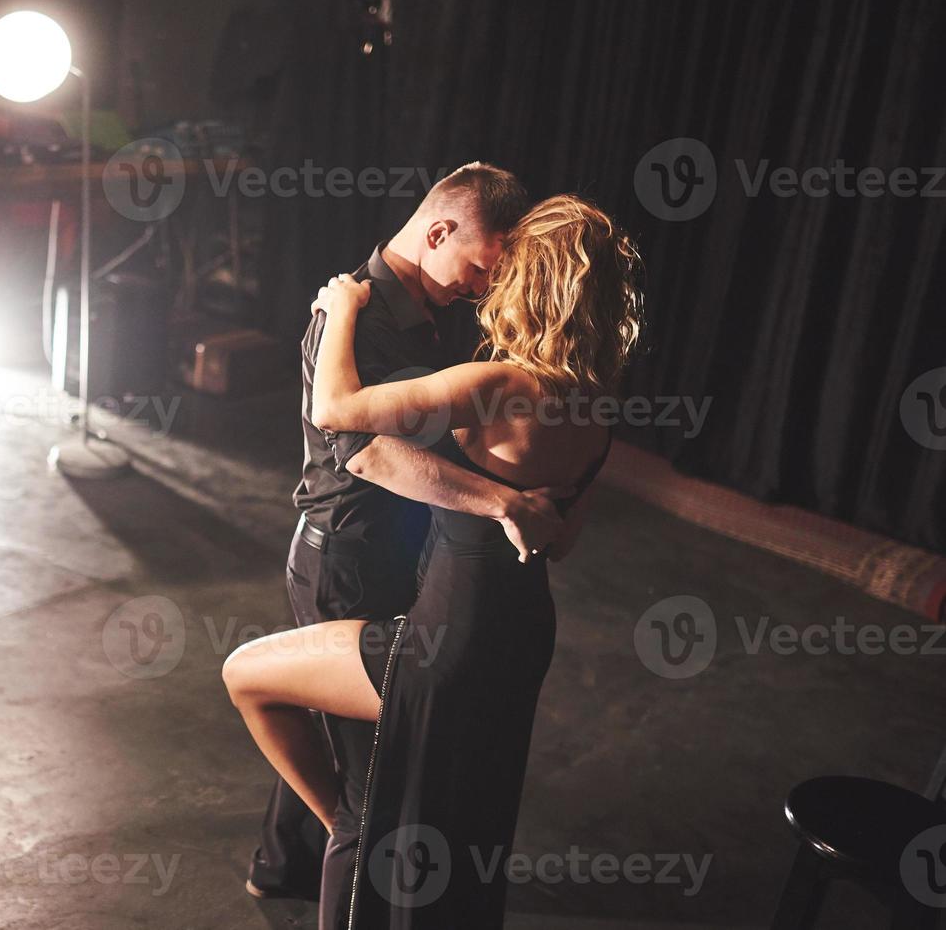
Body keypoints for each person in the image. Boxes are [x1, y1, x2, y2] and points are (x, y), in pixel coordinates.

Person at [226, 194, 644, 928]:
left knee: (248, 679)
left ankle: (346, 841)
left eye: (504, 272)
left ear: (533, 287)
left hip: (443, 642)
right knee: (460, 809)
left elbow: (335, 412)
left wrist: (342, 306)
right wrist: (508, 502)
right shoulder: (597, 407)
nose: (488, 287)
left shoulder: (497, 386)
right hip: (520, 634)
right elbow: (564, 540)